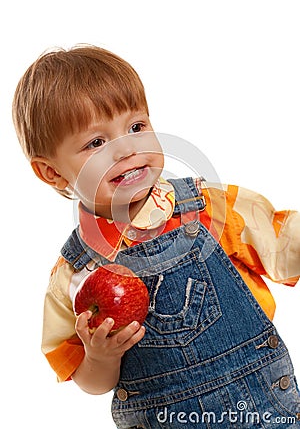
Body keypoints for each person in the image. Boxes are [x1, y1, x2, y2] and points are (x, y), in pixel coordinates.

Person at [13, 44, 300, 428]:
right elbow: (88, 378)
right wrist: (101, 358)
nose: (127, 149)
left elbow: (284, 246)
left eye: (136, 127)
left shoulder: (208, 207)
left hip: (265, 410)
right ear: (52, 173)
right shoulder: (76, 275)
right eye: (96, 143)